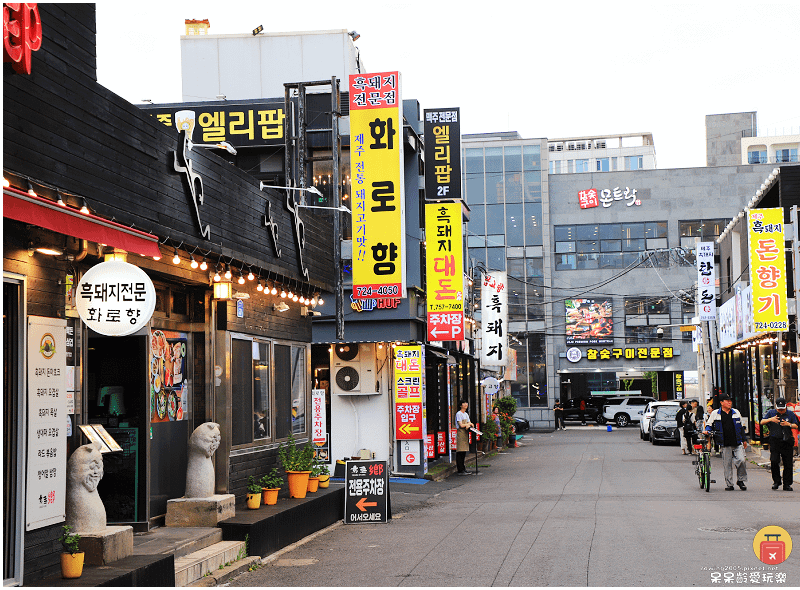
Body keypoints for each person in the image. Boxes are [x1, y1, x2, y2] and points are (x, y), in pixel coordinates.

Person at [704, 393, 748, 491]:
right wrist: (707, 430)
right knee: (727, 464)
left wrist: (744, 440)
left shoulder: (736, 412)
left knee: (742, 460)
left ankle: (741, 480)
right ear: (721, 402)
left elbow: (741, 427)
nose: (729, 402)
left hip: (737, 441)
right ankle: (729, 484)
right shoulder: (716, 413)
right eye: (727, 401)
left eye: (730, 401)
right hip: (724, 442)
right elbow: (709, 425)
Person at [760, 397, 799, 491]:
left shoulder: (790, 414)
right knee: (774, 461)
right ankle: (776, 481)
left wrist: (788, 424)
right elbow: (762, 422)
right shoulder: (771, 413)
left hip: (787, 441)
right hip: (774, 440)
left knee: (788, 463)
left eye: (783, 409)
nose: (781, 411)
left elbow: (796, 425)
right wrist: (771, 419)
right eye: (779, 409)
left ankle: (787, 484)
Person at [455, 401, 474, 475]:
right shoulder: (459, 414)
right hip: (461, 434)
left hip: (465, 434)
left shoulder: (466, 414)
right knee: (460, 452)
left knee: (464, 452)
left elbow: (470, 423)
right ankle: (460, 469)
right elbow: (461, 425)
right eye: (464, 403)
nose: (466, 404)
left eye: (467, 403)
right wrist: (468, 424)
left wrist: (468, 424)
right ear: (460, 405)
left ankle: (463, 468)